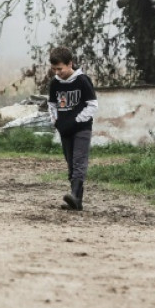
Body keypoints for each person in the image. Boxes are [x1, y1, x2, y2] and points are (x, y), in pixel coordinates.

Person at [47, 46, 98, 211]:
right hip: (65, 129)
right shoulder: (55, 83)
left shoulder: (82, 80)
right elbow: (52, 105)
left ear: (70, 64)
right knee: (70, 163)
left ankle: (75, 195)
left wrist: (76, 120)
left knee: (78, 161)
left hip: (82, 128)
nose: (57, 72)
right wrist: (56, 121)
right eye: (54, 69)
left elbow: (92, 105)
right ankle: (77, 202)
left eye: (60, 69)